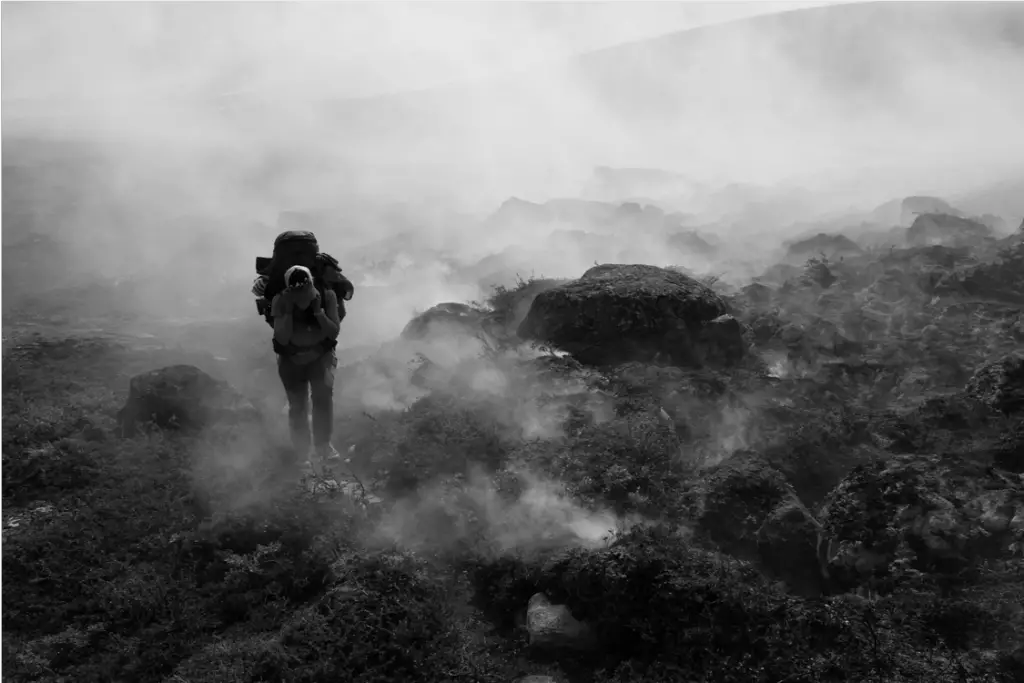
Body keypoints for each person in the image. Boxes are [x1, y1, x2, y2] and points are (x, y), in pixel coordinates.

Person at [253, 231, 353, 475]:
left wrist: (318, 312)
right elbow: (282, 338)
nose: (302, 296)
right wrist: (286, 311)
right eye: (297, 292)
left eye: (306, 290)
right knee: (301, 405)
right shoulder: (280, 300)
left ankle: (319, 450)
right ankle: (305, 457)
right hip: (295, 357)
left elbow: (333, 332)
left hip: (317, 355)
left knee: (318, 401)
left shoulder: (327, 294)